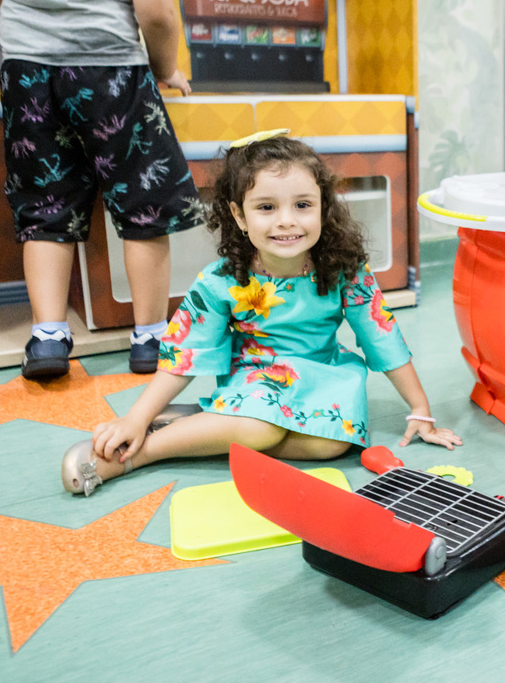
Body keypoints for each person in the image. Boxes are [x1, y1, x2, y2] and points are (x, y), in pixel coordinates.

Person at [61, 132, 461, 496]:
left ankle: (210, 425)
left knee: (334, 443)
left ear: (323, 208)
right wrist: (136, 418)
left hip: (323, 374)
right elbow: (184, 355)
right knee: (261, 427)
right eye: (266, 207)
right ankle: (144, 452)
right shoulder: (221, 280)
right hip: (256, 375)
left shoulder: (346, 270)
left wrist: (420, 409)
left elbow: (382, 336)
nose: (287, 220)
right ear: (239, 216)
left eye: (303, 205)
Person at [0, 0, 205, 379]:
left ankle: (48, 336)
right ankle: (151, 338)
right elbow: (156, 11)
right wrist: (165, 69)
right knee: (144, 203)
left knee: (45, 204)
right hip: (109, 64)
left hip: (26, 71)